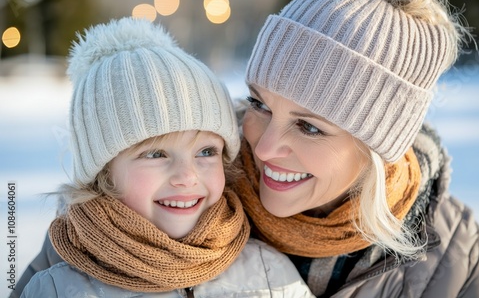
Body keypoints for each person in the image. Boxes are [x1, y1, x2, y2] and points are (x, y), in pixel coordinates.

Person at [230, 0, 479, 297]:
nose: (264, 148)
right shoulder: (186, 206)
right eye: (260, 105)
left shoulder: (457, 257)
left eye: (309, 127)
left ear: (378, 146)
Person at [17, 18, 313, 297]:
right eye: (156, 154)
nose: (187, 176)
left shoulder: (269, 271)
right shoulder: (58, 287)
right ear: (104, 173)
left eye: (206, 152)